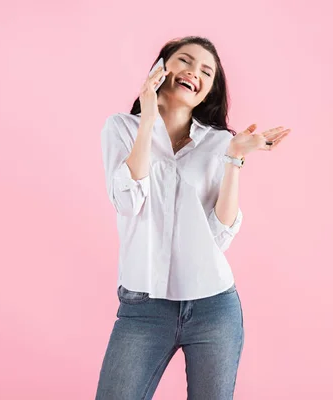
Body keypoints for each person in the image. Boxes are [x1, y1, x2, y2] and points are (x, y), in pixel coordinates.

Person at [95, 36, 290, 400]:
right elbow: (126, 200)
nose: (194, 73)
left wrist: (234, 159)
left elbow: (219, 236)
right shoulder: (121, 128)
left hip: (214, 307)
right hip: (144, 308)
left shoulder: (218, 143)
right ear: (160, 68)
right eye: (185, 61)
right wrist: (148, 118)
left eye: (206, 71)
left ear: (209, 91)